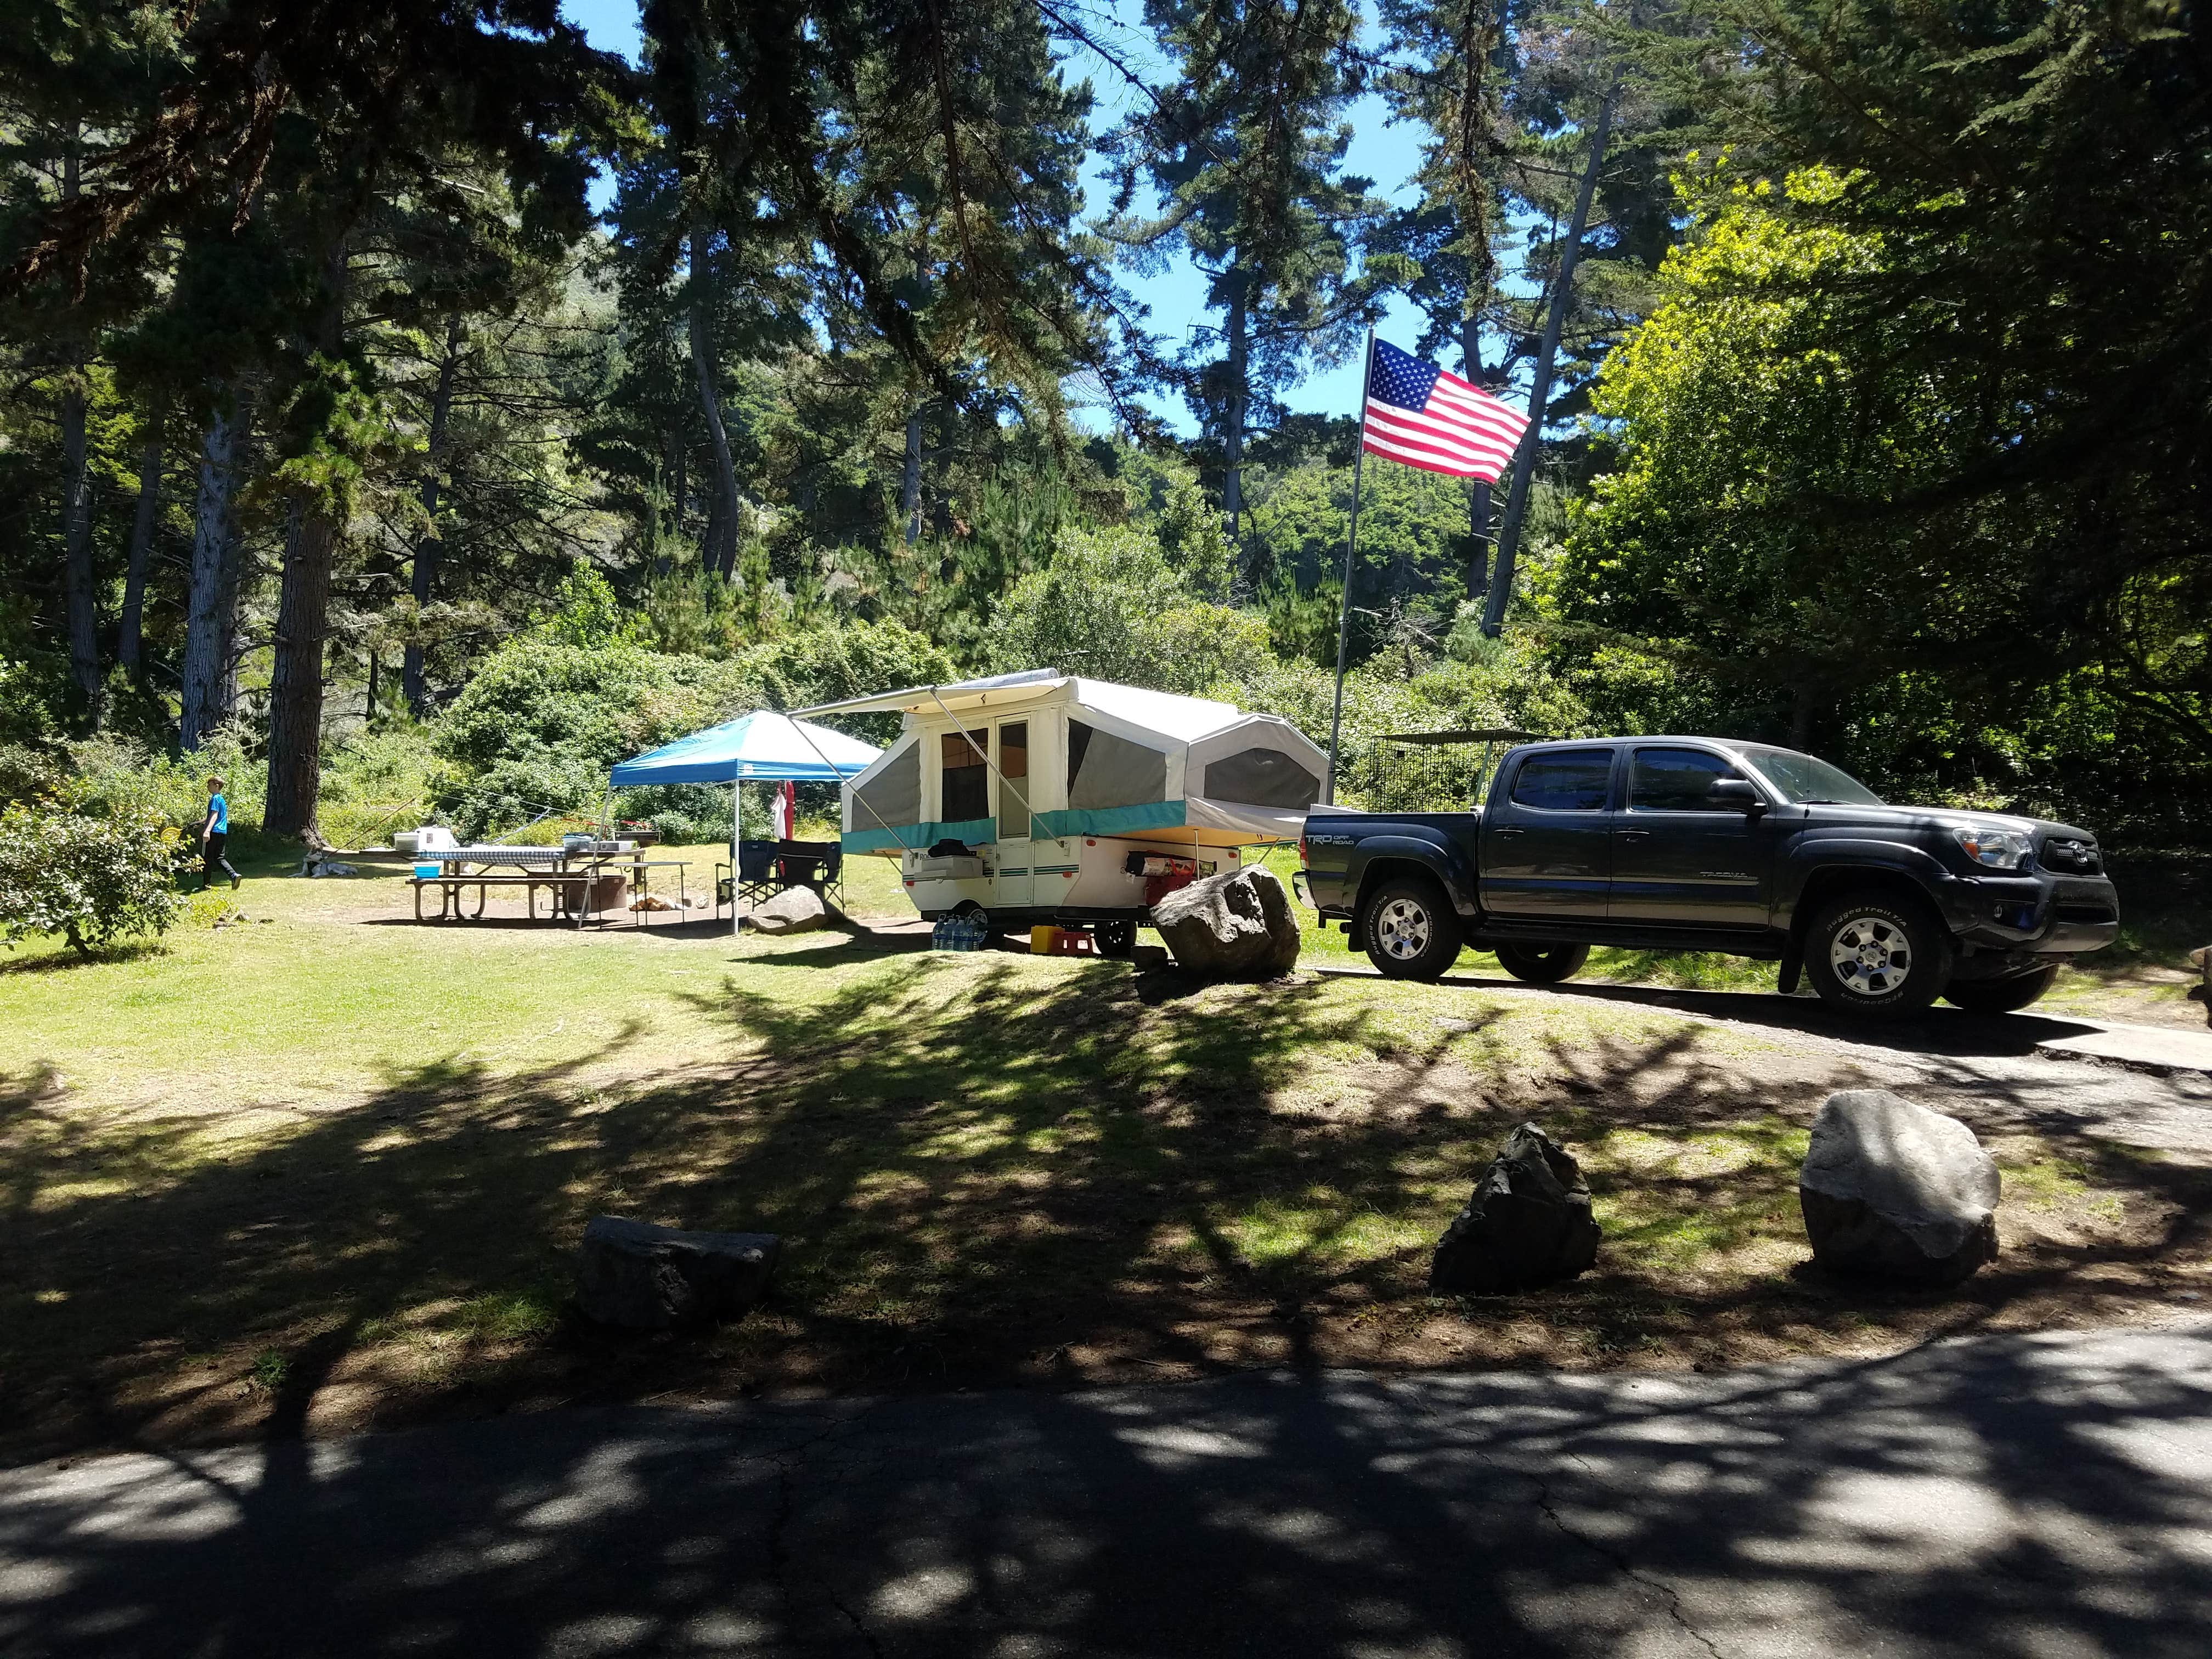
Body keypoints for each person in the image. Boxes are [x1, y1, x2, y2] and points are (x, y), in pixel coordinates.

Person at [199, 776, 240, 891]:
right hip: (222, 832)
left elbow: (215, 815)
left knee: (207, 858)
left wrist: (207, 831)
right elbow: (212, 816)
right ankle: (234, 875)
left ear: (216, 786)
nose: (208, 787)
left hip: (213, 832)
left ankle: (206, 884)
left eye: (210, 784)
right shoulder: (221, 799)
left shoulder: (215, 799)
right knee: (220, 858)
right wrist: (199, 823)